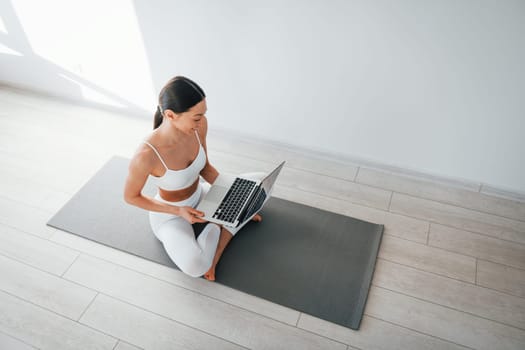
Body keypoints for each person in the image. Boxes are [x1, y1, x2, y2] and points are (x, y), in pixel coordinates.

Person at [123, 76, 263, 281]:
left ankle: (221, 224)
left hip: (202, 195)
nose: (201, 121)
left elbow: (205, 168)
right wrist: (179, 210)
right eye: (196, 117)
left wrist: (235, 191)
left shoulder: (199, 127)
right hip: (171, 214)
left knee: (259, 183)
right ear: (171, 115)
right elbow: (131, 197)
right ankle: (223, 222)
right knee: (195, 266)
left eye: (203, 115)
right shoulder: (145, 156)